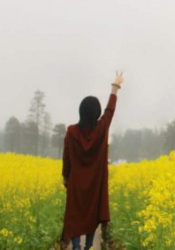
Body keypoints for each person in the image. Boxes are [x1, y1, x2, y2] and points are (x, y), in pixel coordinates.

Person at [61, 72, 124, 250]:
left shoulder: (72, 132)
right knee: (91, 216)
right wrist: (115, 87)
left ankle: (76, 247)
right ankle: (88, 246)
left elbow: (66, 158)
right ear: (96, 113)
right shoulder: (101, 129)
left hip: (75, 184)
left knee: (74, 217)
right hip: (95, 185)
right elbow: (110, 111)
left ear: (81, 111)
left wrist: (66, 177)